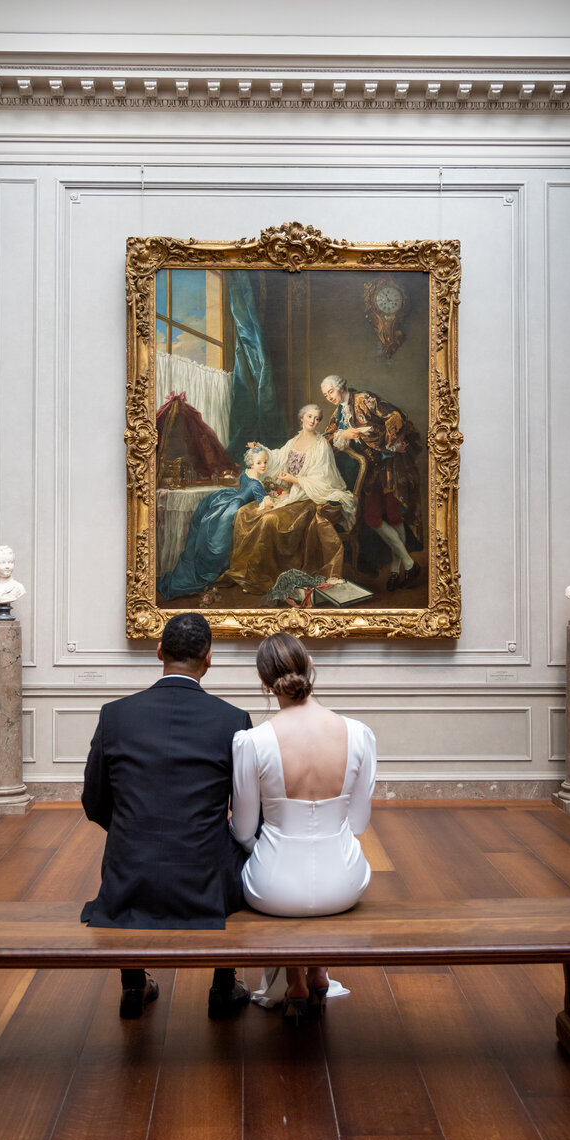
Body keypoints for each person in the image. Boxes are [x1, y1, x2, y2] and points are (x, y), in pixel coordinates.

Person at [81, 612, 253, 1020]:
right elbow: (247, 812)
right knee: (237, 847)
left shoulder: (115, 715)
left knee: (126, 844)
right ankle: (223, 988)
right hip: (204, 877)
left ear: (159, 652)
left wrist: (134, 828)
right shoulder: (232, 721)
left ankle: (134, 985)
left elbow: (94, 800)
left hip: (130, 875)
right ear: (208, 659)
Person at [229, 632, 376, 1020]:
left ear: (264, 683)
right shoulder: (359, 733)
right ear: (313, 668)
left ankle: (294, 981)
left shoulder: (251, 741)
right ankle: (318, 973)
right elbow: (358, 823)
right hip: (344, 884)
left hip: (271, 889)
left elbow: (243, 830)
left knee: (265, 863)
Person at [223, 404, 355, 595]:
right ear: (302, 418)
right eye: (309, 416)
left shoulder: (321, 445)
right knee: (244, 512)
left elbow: (323, 480)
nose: (313, 421)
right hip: (287, 494)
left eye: (317, 418)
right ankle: (245, 572)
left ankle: (265, 577)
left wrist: (294, 480)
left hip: (307, 499)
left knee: (270, 519)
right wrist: (261, 450)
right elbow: (277, 458)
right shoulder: (295, 440)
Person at [321, 374, 423, 590]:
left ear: (340, 387)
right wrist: (344, 433)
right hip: (369, 472)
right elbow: (327, 438)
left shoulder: (364, 399)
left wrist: (382, 441)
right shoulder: (339, 411)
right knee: (373, 518)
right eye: (325, 394)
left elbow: (396, 416)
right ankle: (409, 564)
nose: (329, 397)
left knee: (394, 516)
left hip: (391, 465)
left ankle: (397, 571)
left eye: (331, 391)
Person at [157, 445, 273, 600]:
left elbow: (245, 487)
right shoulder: (257, 484)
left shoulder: (246, 473)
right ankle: (208, 575)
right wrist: (271, 499)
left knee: (211, 533)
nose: (263, 465)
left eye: (265, 462)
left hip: (229, 498)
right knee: (219, 544)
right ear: (251, 464)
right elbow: (265, 503)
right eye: (259, 463)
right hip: (233, 508)